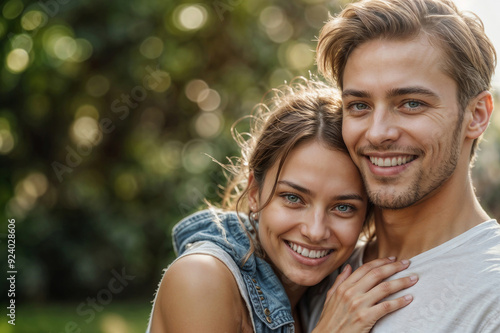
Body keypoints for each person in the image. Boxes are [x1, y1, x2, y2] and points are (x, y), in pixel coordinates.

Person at [146, 79, 418, 332]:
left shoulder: (328, 290)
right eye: (293, 198)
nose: (315, 231)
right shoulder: (201, 278)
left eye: (343, 207)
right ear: (254, 192)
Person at [308, 0, 500, 332]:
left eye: (411, 103)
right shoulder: (319, 268)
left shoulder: (491, 295)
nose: (378, 132)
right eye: (359, 105)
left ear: (476, 115)